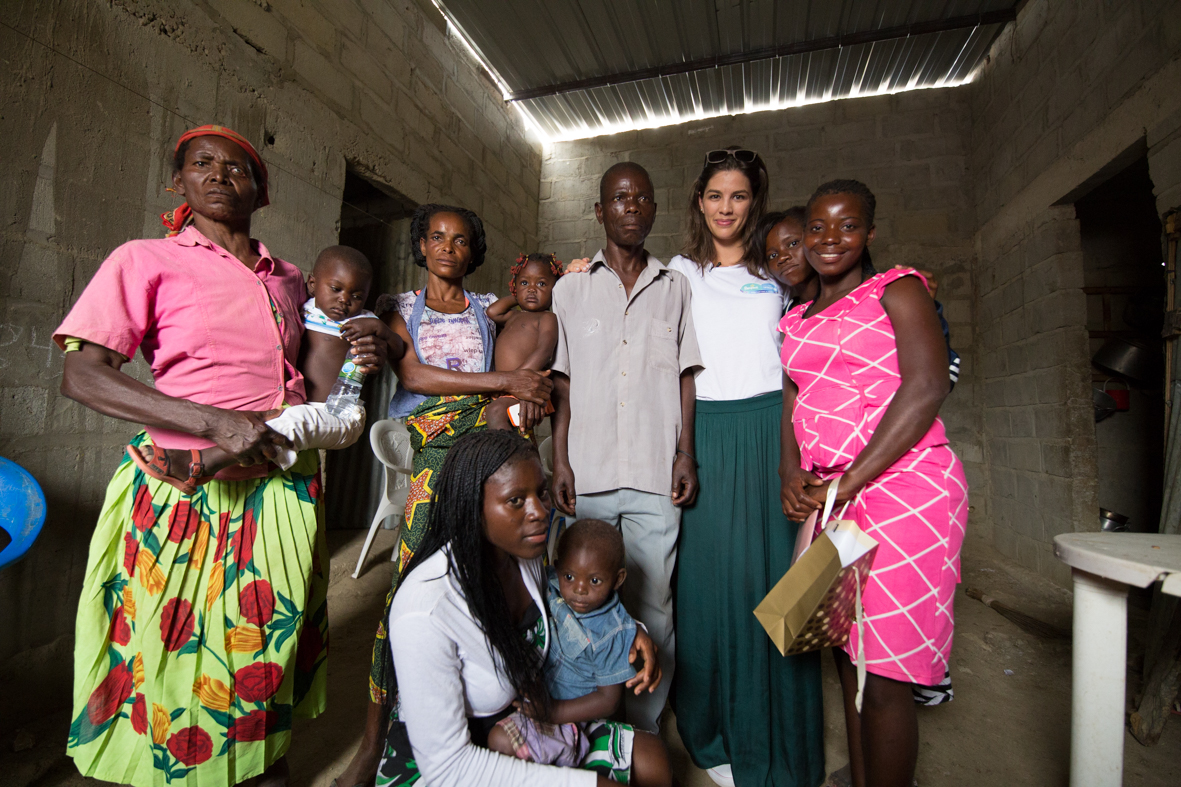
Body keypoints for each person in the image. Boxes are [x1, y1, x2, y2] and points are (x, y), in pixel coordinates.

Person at [55, 124, 389, 787]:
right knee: (169, 649)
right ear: (178, 183)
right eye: (200, 164)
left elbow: (311, 391)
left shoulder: (293, 279)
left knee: (260, 649)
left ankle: (256, 763)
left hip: (277, 493)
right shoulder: (143, 259)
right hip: (181, 493)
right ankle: (164, 767)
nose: (217, 173)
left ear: (259, 190)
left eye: (235, 167)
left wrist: (357, 366)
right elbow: (82, 375)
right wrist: (211, 420)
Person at [334, 205, 555, 787]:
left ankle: (492, 716)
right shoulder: (400, 308)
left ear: (473, 251)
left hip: (486, 451)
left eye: (460, 240)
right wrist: (505, 382)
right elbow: (415, 378)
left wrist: (576, 273)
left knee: (498, 577)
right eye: (436, 237)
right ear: (421, 245)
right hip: (437, 457)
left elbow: (539, 300)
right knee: (408, 589)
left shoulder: (487, 308)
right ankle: (373, 742)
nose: (448, 248)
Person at [778, 180, 968, 787]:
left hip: (906, 488)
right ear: (804, 236)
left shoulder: (898, 290)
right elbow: (793, 399)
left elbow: (925, 386)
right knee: (849, 662)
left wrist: (851, 478)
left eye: (848, 225)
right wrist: (792, 473)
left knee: (884, 675)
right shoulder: (797, 320)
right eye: (818, 227)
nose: (831, 238)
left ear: (870, 234)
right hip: (834, 501)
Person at [376, 430, 671, 787]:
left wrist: (631, 629)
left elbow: (569, 603)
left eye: (541, 493)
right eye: (516, 500)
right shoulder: (425, 608)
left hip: (531, 720)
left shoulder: (522, 554)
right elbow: (449, 769)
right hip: (458, 762)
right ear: (473, 506)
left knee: (654, 762)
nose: (540, 512)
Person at [666, 149, 824, 787]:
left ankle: (778, 738)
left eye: (738, 198)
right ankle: (714, 733)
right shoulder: (677, 271)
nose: (726, 209)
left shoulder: (779, 270)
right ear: (698, 202)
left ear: (753, 203)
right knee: (705, 590)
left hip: (770, 434)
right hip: (703, 431)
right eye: (714, 197)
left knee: (771, 583)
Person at [550, 161, 702, 733]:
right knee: (579, 597)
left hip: (653, 469)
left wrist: (685, 451)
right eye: (619, 198)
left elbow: (686, 375)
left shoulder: (676, 288)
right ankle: (584, 715)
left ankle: (641, 725)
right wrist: (560, 459)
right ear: (600, 211)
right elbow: (562, 385)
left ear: (653, 210)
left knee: (654, 599)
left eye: (641, 198)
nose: (631, 206)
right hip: (586, 470)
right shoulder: (569, 289)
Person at [126, 245, 402, 487]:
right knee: (268, 422)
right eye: (336, 289)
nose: (345, 300)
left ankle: (203, 462)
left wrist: (381, 330)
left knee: (294, 424)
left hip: (341, 413)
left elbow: (398, 349)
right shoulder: (301, 310)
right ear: (313, 284)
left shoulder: (364, 320)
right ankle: (233, 465)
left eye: (357, 295)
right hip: (303, 406)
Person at [488, 519, 646, 771]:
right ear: (557, 568)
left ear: (617, 580)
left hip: (565, 718)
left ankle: (568, 753)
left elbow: (608, 701)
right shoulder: (550, 583)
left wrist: (552, 713)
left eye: (595, 581)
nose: (579, 589)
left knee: (499, 740)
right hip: (529, 692)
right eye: (569, 576)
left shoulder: (613, 631)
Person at [484, 252, 563, 433]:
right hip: (509, 386)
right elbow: (492, 312)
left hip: (527, 385)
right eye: (524, 283)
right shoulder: (514, 316)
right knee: (507, 422)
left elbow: (545, 350)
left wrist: (518, 378)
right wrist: (518, 296)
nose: (532, 289)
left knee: (496, 412)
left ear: (555, 289)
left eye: (541, 284)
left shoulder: (547, 318)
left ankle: (505, 458)